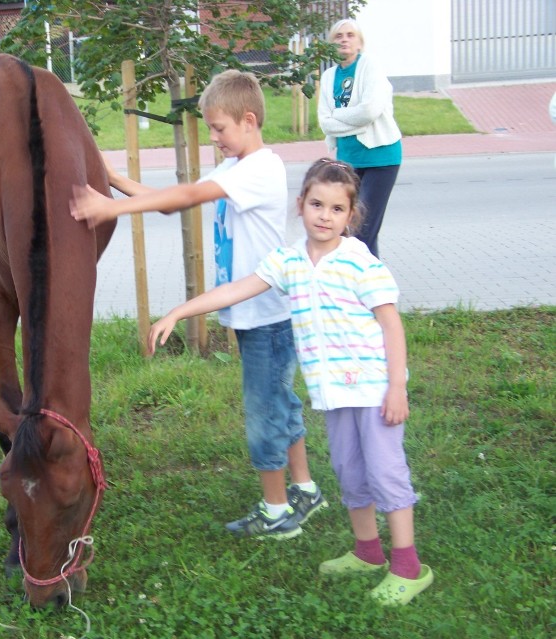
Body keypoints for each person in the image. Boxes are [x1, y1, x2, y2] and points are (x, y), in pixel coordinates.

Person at [149, 158, 433, 606]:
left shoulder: (360, 261)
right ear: (300, 205)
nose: (325, 215)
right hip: (334, 393)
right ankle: (367, 553)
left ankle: (408, 566)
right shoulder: (289, 261)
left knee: (385, 473)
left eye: (337, 209)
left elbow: (391, 324)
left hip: (375, 389)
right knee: (348, 472)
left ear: (351, 215)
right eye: (316, 204)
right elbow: (237, 289)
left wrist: (396, 386)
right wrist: (179, 311)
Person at [71, 69, 327, 540]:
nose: (214, 138)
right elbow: (172, 202)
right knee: (281, 404)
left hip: (268, 316)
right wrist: (109, 178)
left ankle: (276, 511)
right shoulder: (235, 168)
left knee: (265, 414)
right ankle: (305, 489)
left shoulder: (261, 168)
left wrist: (109, 209)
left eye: (219, 128)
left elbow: (187, 194)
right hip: (260, 315)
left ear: (248, 120)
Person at [318, 18, 402, 259]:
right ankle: (372, 290)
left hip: (380, 157)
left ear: (360, 43)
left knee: (361, 230)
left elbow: (369, 111)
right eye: (338, 36)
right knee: (354, 231)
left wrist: (338, 118)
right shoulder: (328, 77)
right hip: (348, 161)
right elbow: (325, 122)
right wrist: (343, 122)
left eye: (350, 35)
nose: (344, 39)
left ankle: (366, 290)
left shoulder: (370, 67)